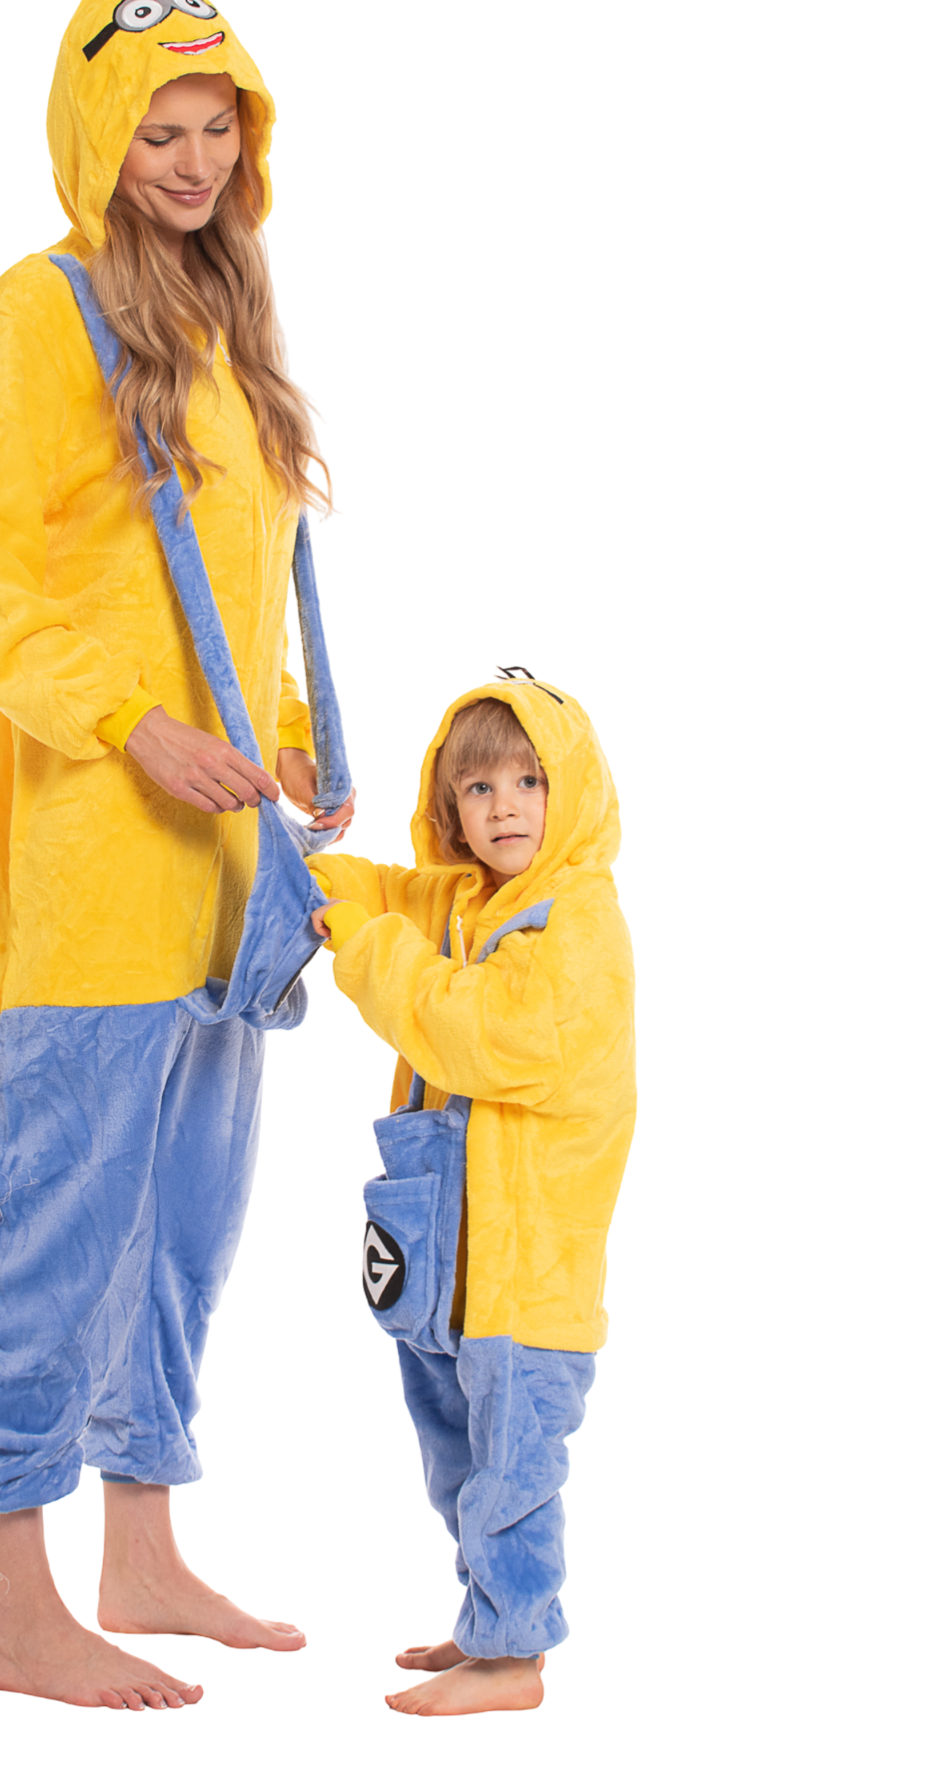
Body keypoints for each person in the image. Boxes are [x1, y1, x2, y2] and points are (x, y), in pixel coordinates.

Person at [0, 0, 352, 1712]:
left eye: (214, 128)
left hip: (223, 877)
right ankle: (15, 1604)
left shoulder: (225, 312)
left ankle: (141, 1548)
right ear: (95, 138)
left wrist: (290, 737)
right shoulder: (38, 315)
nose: (189, 162)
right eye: (157, 132)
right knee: (51, 1223)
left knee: (179, 1225)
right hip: (90, 870)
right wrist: (128, 726)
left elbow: (234, 586)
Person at [307, 677, 636, 1716]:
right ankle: (487, 1613)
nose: (503, 807)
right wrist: (302, 870)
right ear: (447, 804)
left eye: (528, 781)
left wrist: (365, 949)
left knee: (512, 1463)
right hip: (448, 1255)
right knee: (453, 1452)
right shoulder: (464, 900)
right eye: (477, 786)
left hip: (525, 1266)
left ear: (568, 789)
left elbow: (485, 1033)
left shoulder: (576, 922)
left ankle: (514, 1655)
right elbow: (377, 890)